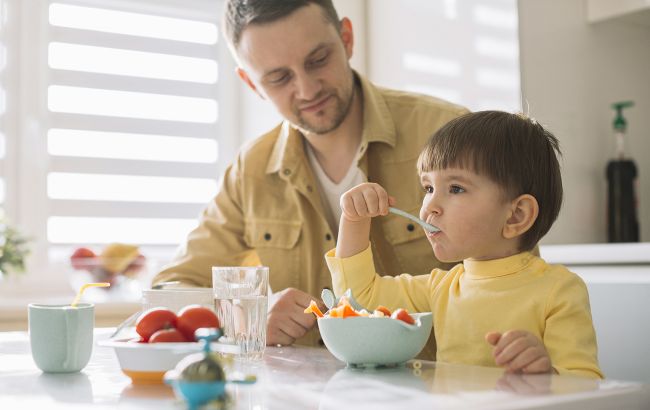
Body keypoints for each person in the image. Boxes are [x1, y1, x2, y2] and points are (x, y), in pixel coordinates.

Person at [152, 0, 468, 353]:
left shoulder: (448, 133)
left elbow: (514, 269)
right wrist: (245, 315)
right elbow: (169, 290)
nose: (307, 89)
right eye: (278, 78)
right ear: (251, 83)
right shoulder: (250, 170)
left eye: (318, 60)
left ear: (347, 39)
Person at [326, 111, 603, 378]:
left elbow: (586, 385)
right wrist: (354, 221)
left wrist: (546, 374)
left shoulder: (559, 291)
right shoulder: (441, 288)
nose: (429, 206)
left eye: (456, 188)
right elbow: (358, 299)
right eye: (428, 188)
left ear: (516, 215)